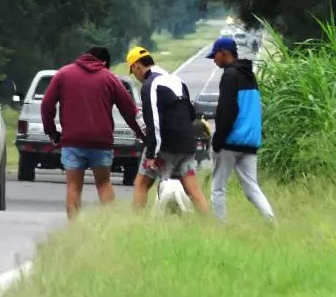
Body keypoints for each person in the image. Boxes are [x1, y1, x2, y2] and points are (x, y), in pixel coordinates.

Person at [41, 46, 145, 219]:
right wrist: (143, 136)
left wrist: (52, 133)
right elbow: (129, 110)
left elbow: (46, 105)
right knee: (104, 184)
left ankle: (74, 228)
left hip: (72, 141)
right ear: (104, 62)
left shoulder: (64, 74)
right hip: (101, 142)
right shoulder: (109, 78)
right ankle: (109, 227)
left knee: (73, 186)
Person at [126, 46, 209, 214]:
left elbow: (153, 122)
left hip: (165, 147)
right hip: (187, 144)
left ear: (136, 66)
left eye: (133, 72)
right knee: (193, 190)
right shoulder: (176, 80)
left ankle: (135, 223)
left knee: (141, 184)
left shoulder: (151, 85)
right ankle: (209, 225)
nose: (136, 76)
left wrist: (151, 154)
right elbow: (191, 114)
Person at [207, 36, 275, 222]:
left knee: (218, 187)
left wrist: (218, 140)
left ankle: (219, 229)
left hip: (230, 141)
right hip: (250, 142)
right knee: (252, 188)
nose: (214, 59)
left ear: (225, 53)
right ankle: (272, 223)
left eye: (215, 55)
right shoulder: (249, 75)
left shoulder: (229, 76)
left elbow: (226, 111)